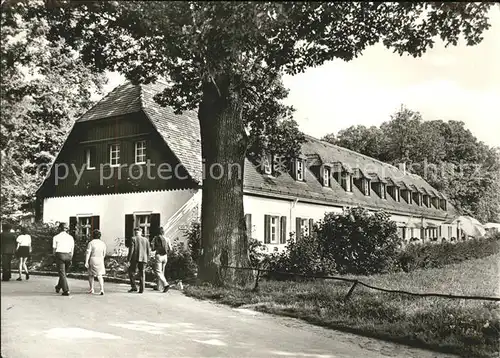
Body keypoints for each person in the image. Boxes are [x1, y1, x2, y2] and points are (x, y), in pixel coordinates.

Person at [52, 222, 74, 296]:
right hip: (68, 255)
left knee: (62, 273)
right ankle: (58, 287)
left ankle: (66, 290)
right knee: (63, 274)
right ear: (66, 229)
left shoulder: (56, 237)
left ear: (59, 228)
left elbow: (54, 249)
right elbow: (72, 249)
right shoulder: (70, 237)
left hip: (60, 255)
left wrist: (55, 257)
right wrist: (71, 258)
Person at [127, 227, 151, 293]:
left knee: (131, 271)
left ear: (135, 232)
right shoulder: (146, 240)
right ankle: (142, 289)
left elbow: (131, 250)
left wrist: (128, 259)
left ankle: (134, 287)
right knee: (142, 273)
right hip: (144, 259)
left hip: (135, 258)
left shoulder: (133, 238)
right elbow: (148, 251)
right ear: (141, 232)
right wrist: (147, 258)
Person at [85, 229, 107, 295]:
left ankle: (92, 289)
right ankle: (102, 289)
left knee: (91, 275)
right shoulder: (103, 243)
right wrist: (102, 258)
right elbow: (104, 253)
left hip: (93, 259)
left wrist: (86, 261)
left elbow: (88, 253)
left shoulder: (91, 243)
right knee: (100, 275)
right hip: (100, 259)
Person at [151, 227, 172, 293]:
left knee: (158, 272)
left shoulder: (155, 238)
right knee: (162, 272)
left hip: (159, 255)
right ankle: (159, 287)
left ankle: (166, 284)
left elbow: (153, 248)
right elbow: (170, 249)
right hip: (165, 256)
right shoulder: (167, 239)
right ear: (164, 232)